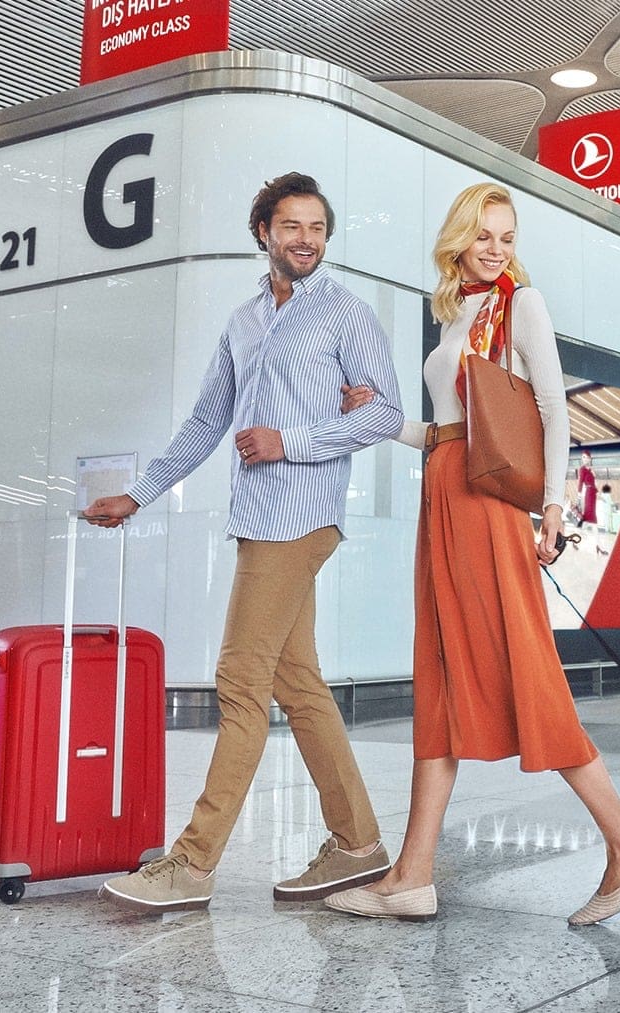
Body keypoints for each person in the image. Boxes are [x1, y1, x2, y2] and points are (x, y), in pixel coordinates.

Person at [327, 182, 620, 925]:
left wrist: (554, 507)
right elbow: (446, 432)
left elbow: (552, 410)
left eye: (507, 237)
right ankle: (414, 873)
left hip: (486, 508)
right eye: (484, 235)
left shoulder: (522, 305)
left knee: (525, 668)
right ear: (458, 239)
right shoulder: (456, 315)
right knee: (441, 674)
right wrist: (381, 420)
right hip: (445, 493)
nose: (496, 249)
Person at [86, 172, 405, 913]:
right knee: (297, 683)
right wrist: (140, 493)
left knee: (239, 679)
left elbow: (386, 412)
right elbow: (208, 420)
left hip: (301, 516)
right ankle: (358, 844)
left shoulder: (346, 313)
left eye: (317, 228)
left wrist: (290, 440)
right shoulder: (246, 320)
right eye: (292, 226)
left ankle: (192, 863)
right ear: (264, 231)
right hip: (257, 518)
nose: (306, 240)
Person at [576, 450, 599, 526]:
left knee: (592, 511)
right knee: (588, 511)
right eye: (583, 457)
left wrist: (594, 475)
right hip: (589, 491)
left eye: (587, 457)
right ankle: (585, 526)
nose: (585, 459)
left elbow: (595, 482)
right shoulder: (582, 469)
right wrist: (579, 494)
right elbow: (580, 481)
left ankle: (592, 527)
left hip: (593, 492)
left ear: (590, 459)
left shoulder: (591, 470)